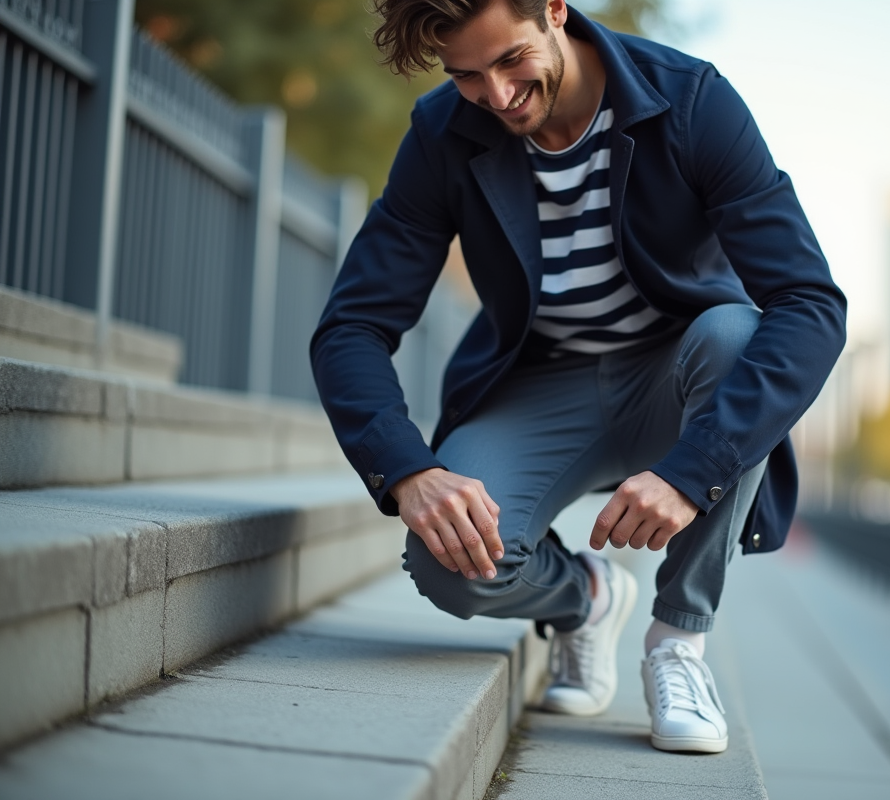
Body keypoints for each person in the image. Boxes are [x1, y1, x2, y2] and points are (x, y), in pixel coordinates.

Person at [311, 0, 845, 754]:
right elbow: (352, 326)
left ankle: (678, 643)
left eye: (511, 60)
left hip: (678, 379)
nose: (497, 95)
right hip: (542, 385)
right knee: (449, 565)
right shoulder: (442, 132)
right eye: (466, 75)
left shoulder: (690, 100)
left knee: (737, 335)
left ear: (555, 9)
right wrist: (407, 470)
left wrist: (692, 473)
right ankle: (587, 597)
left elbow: (810, 305)